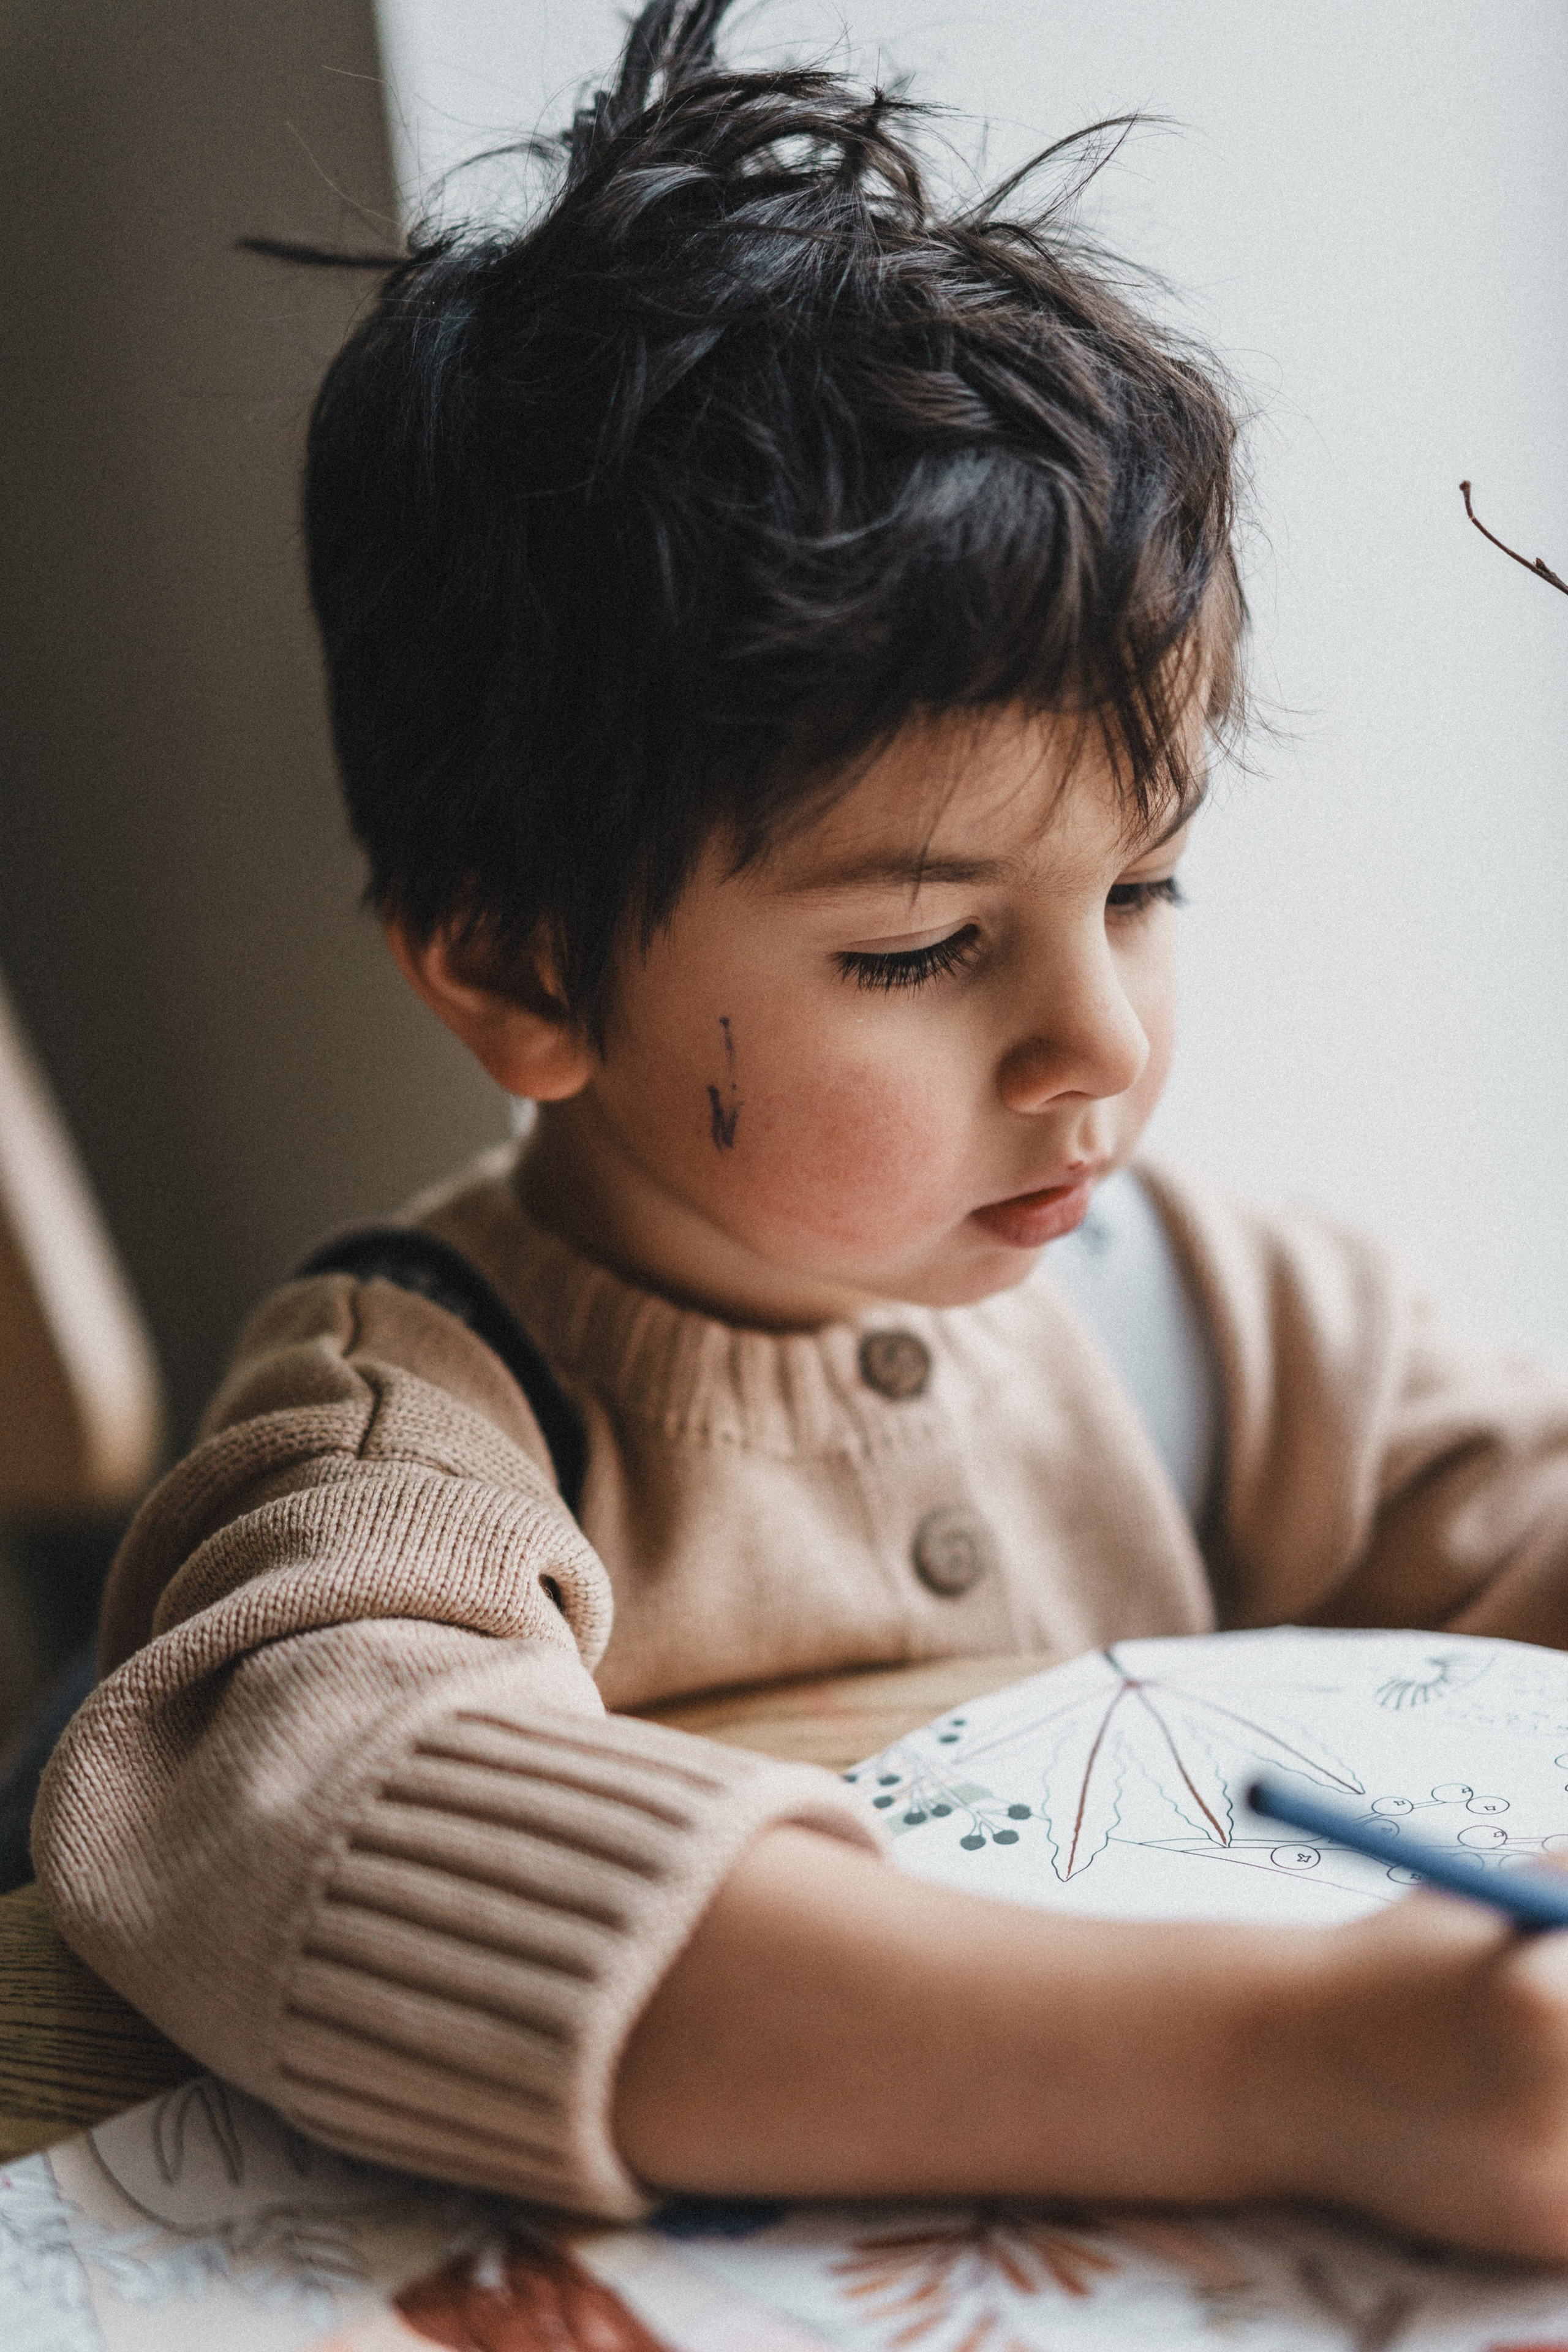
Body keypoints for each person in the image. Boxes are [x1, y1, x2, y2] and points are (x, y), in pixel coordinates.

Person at [33, 0, 1568, 2260]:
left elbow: (1513, 1522)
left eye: (1139, 892)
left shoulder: (1216, 1315)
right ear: (526, 973)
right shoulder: (419, 1428)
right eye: (922, 950)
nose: (1096, 1050)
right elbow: (312, 1823)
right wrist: (1299, 2063)